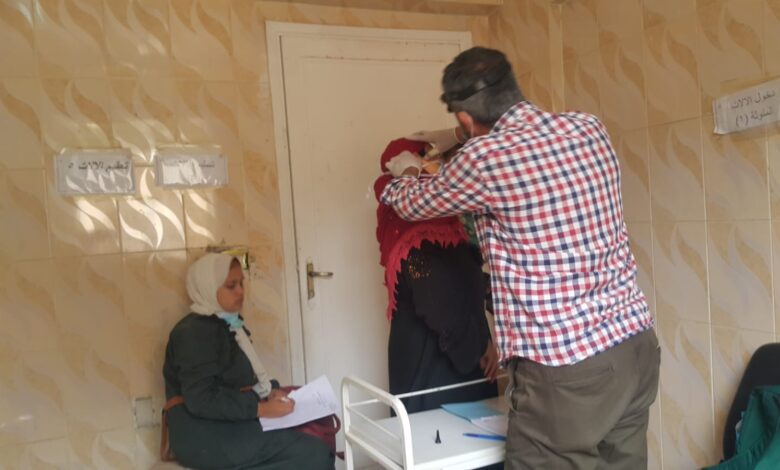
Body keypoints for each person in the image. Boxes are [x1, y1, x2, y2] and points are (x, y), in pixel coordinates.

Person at [380, 46, 661, 469]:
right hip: (633, 347)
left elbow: (410, 202)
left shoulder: (482, 162)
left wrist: (405, 169)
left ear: (465, 118)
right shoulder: (588, 128)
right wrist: (461, 134)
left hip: (564, 368)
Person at [162, 253, 334, 470]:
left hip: (226, 423)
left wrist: (270, 392)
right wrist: (260, 410)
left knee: (309, 439)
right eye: (231, 286)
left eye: (241, 283)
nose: (240, 291)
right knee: (314, 453)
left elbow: (237, 379)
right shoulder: (193, 334)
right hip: (202, 434)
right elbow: (202, 400)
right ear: (208, 288)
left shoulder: (225, 324)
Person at [374, 138, 498, 413]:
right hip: (432, 374)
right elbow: (436, 303)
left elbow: (469, 285)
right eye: (431, 164)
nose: (441, 171)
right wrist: (479, 349)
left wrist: (490, 340)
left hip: (466, 359)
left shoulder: (454, 232)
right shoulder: (412, 246)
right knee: (438, 435)